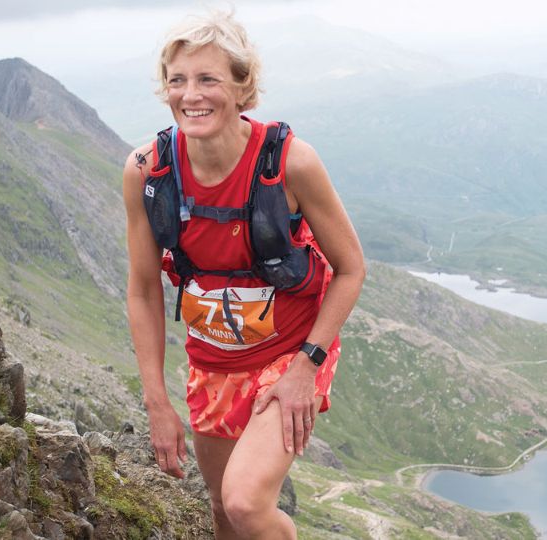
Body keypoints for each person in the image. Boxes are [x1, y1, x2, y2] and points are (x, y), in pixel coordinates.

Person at [122, 11, 365, 539]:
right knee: (221, 512)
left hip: (291, 356)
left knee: (246, 502)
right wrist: (156, 402)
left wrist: (307, 365)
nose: (191, 95)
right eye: (177, 80)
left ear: (242, 86)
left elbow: (351, 269)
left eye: (208, 79)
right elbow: (142, 290)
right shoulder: (146, 171)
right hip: (212, 363)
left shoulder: (290, 164)